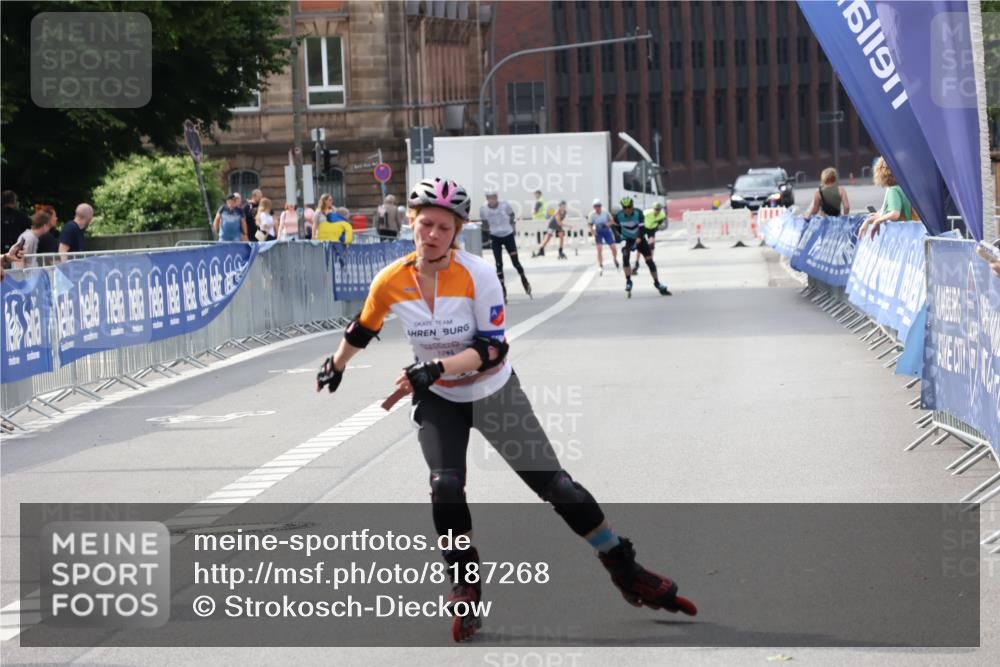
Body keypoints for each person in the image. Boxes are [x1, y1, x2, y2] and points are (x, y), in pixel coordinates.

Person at [315, 176, 697, 641]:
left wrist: (434, 367)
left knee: (557, 488)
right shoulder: (391, 279)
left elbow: (492, 349)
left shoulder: (477, 274)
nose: (432, 234)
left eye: (443, 227)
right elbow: (363, 326)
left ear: (457, 231)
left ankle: (624, 566)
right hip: (440, 399)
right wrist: (335, 365)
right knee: (445, 486)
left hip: (492, 391)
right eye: (425, 224)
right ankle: (465, 582)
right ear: (411, 223)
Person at [480, 189, 531, 301]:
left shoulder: (504, 205)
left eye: (494, 197)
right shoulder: (483, 209)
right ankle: (502, 289)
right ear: (487, 199)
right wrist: (487, 234)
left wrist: (511, 227)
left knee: (515, 262)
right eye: (490, 198)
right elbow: (484, 223)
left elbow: (512, 215)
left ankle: (524, 278)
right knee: (498, 264)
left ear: (497, 197)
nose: (492, 200)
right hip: (495, 237)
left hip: (508, 235)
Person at [615, 196, 671, 297]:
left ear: (632, 206)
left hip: (639, 237)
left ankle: (657, 283)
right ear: (622, 208)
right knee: (625, 257)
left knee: (649, 261)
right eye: (625, 207)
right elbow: (616, 229)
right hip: (626, 239)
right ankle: (628, 281)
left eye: (629, 207)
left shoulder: (638, 213)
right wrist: (621, 238)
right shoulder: (618, 216)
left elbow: (642, 228)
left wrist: (639, 238)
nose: (627, 209)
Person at [858, 157, 914, 240]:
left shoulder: (893, 190)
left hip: (902, 236)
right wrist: (870, 219)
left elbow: (895, 214)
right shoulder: (904, 188)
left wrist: (877, 221)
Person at [632, 201, 667, 274]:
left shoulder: (662, 214)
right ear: (653, 209)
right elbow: (638, 217)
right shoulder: (647, 213)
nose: (658, 211)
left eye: (659, 209)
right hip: (643, 228)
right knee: (640, 245)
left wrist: (658, 225)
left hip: (652, 228)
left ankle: (651, 261)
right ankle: (636, 263)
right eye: (656, 209)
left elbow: (661, 221)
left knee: (651, 245)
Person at [587, 199, 619, 275]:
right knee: (599, 249)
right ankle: (600, 265)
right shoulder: (592, 214)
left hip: (606, 230)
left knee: (613, 247)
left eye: (599, 206)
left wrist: (607, 224)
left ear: (601, 206)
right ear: (593, 207)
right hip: (598, 231)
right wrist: (593, 232)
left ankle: (615, 258)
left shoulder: (605, 212)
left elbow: (612, 221)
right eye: (596, 206)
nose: (597, 208)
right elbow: (590, 224)